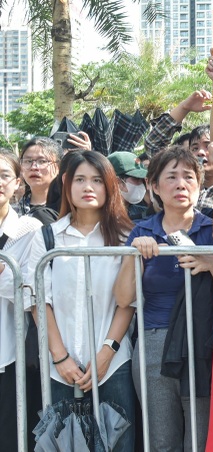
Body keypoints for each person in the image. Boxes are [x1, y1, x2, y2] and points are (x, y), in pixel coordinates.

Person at [24, 151, 137, 451]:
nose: (89, 187)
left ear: (109, 185)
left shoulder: (126, 236)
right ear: (66, 183)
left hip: (114, 364)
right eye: (81, 179)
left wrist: (106, 352)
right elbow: (36, 299)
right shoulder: (48, 237)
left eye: (97, 180)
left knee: (118, 445)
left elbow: (127, 302)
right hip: (60, 368)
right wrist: (60, 357)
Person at [114, 146, 213, 451]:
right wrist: (134, 255)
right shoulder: (142, 230)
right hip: (154, 342)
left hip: (203, 342)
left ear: (199, 185)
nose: (180, 184)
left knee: (201, 439)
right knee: (161, 440)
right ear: (154, 186)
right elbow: (123, 298)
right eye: (171, 177)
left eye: (188, 177)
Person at [0, 149, 44, 451]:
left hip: (10, 355)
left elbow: (29, 290)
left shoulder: (29, 230)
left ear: (18, 183)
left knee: (11, 438)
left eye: (4, 175)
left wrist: (6, 276)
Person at [17, 137, 62, 225]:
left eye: (42, 161)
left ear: (58, 167)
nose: (34, 167)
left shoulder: (69, 207)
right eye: (28, 161)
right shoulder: (13, 211)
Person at [108, 151, 150, 221]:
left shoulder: (144, 214)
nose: (141, 184)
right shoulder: (98, 215)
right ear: (117, 181)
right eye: (136, 179)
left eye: (142, 179)